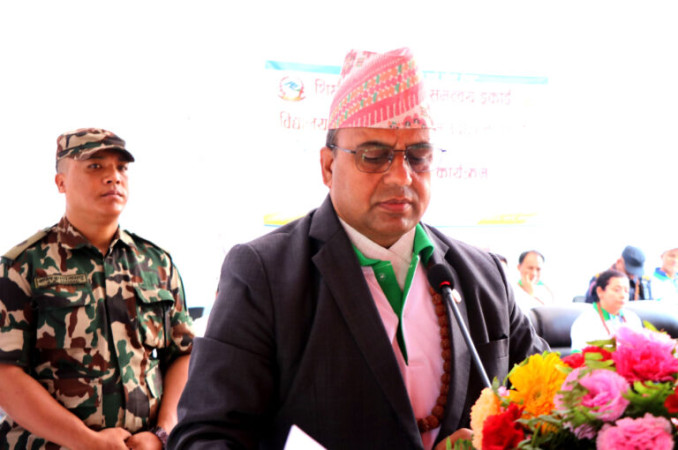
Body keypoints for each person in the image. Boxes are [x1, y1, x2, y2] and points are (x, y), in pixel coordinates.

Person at [169, 48, 547, 450]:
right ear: (328, 166)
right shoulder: (264, 274)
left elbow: (553, 407)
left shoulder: (485, 276)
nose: (401, 177)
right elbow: (205, 438)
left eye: (418, 156)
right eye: (374, 156)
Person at [0, 128, 195, 449]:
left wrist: (162, 434)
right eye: (95, 166)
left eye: (122, 168)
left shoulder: (157, 264)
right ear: (61, 182)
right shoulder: (23, 266)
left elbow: (183, 357)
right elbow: (5, 375)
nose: (113, 177)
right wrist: (87, 442)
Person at [571, 269, 643, 351]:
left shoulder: (633, 318)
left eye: (626, 291)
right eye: (617, 290)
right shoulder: (585, 321)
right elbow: (578, 355)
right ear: (600, 291)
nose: (623, 295)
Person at [585, 245, 652, 303]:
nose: (632, 276)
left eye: (635, 273)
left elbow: (648, 307)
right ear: (619, 262)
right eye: (628, 272)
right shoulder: (599, 281)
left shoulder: (643, 281)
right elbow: (591, 307)